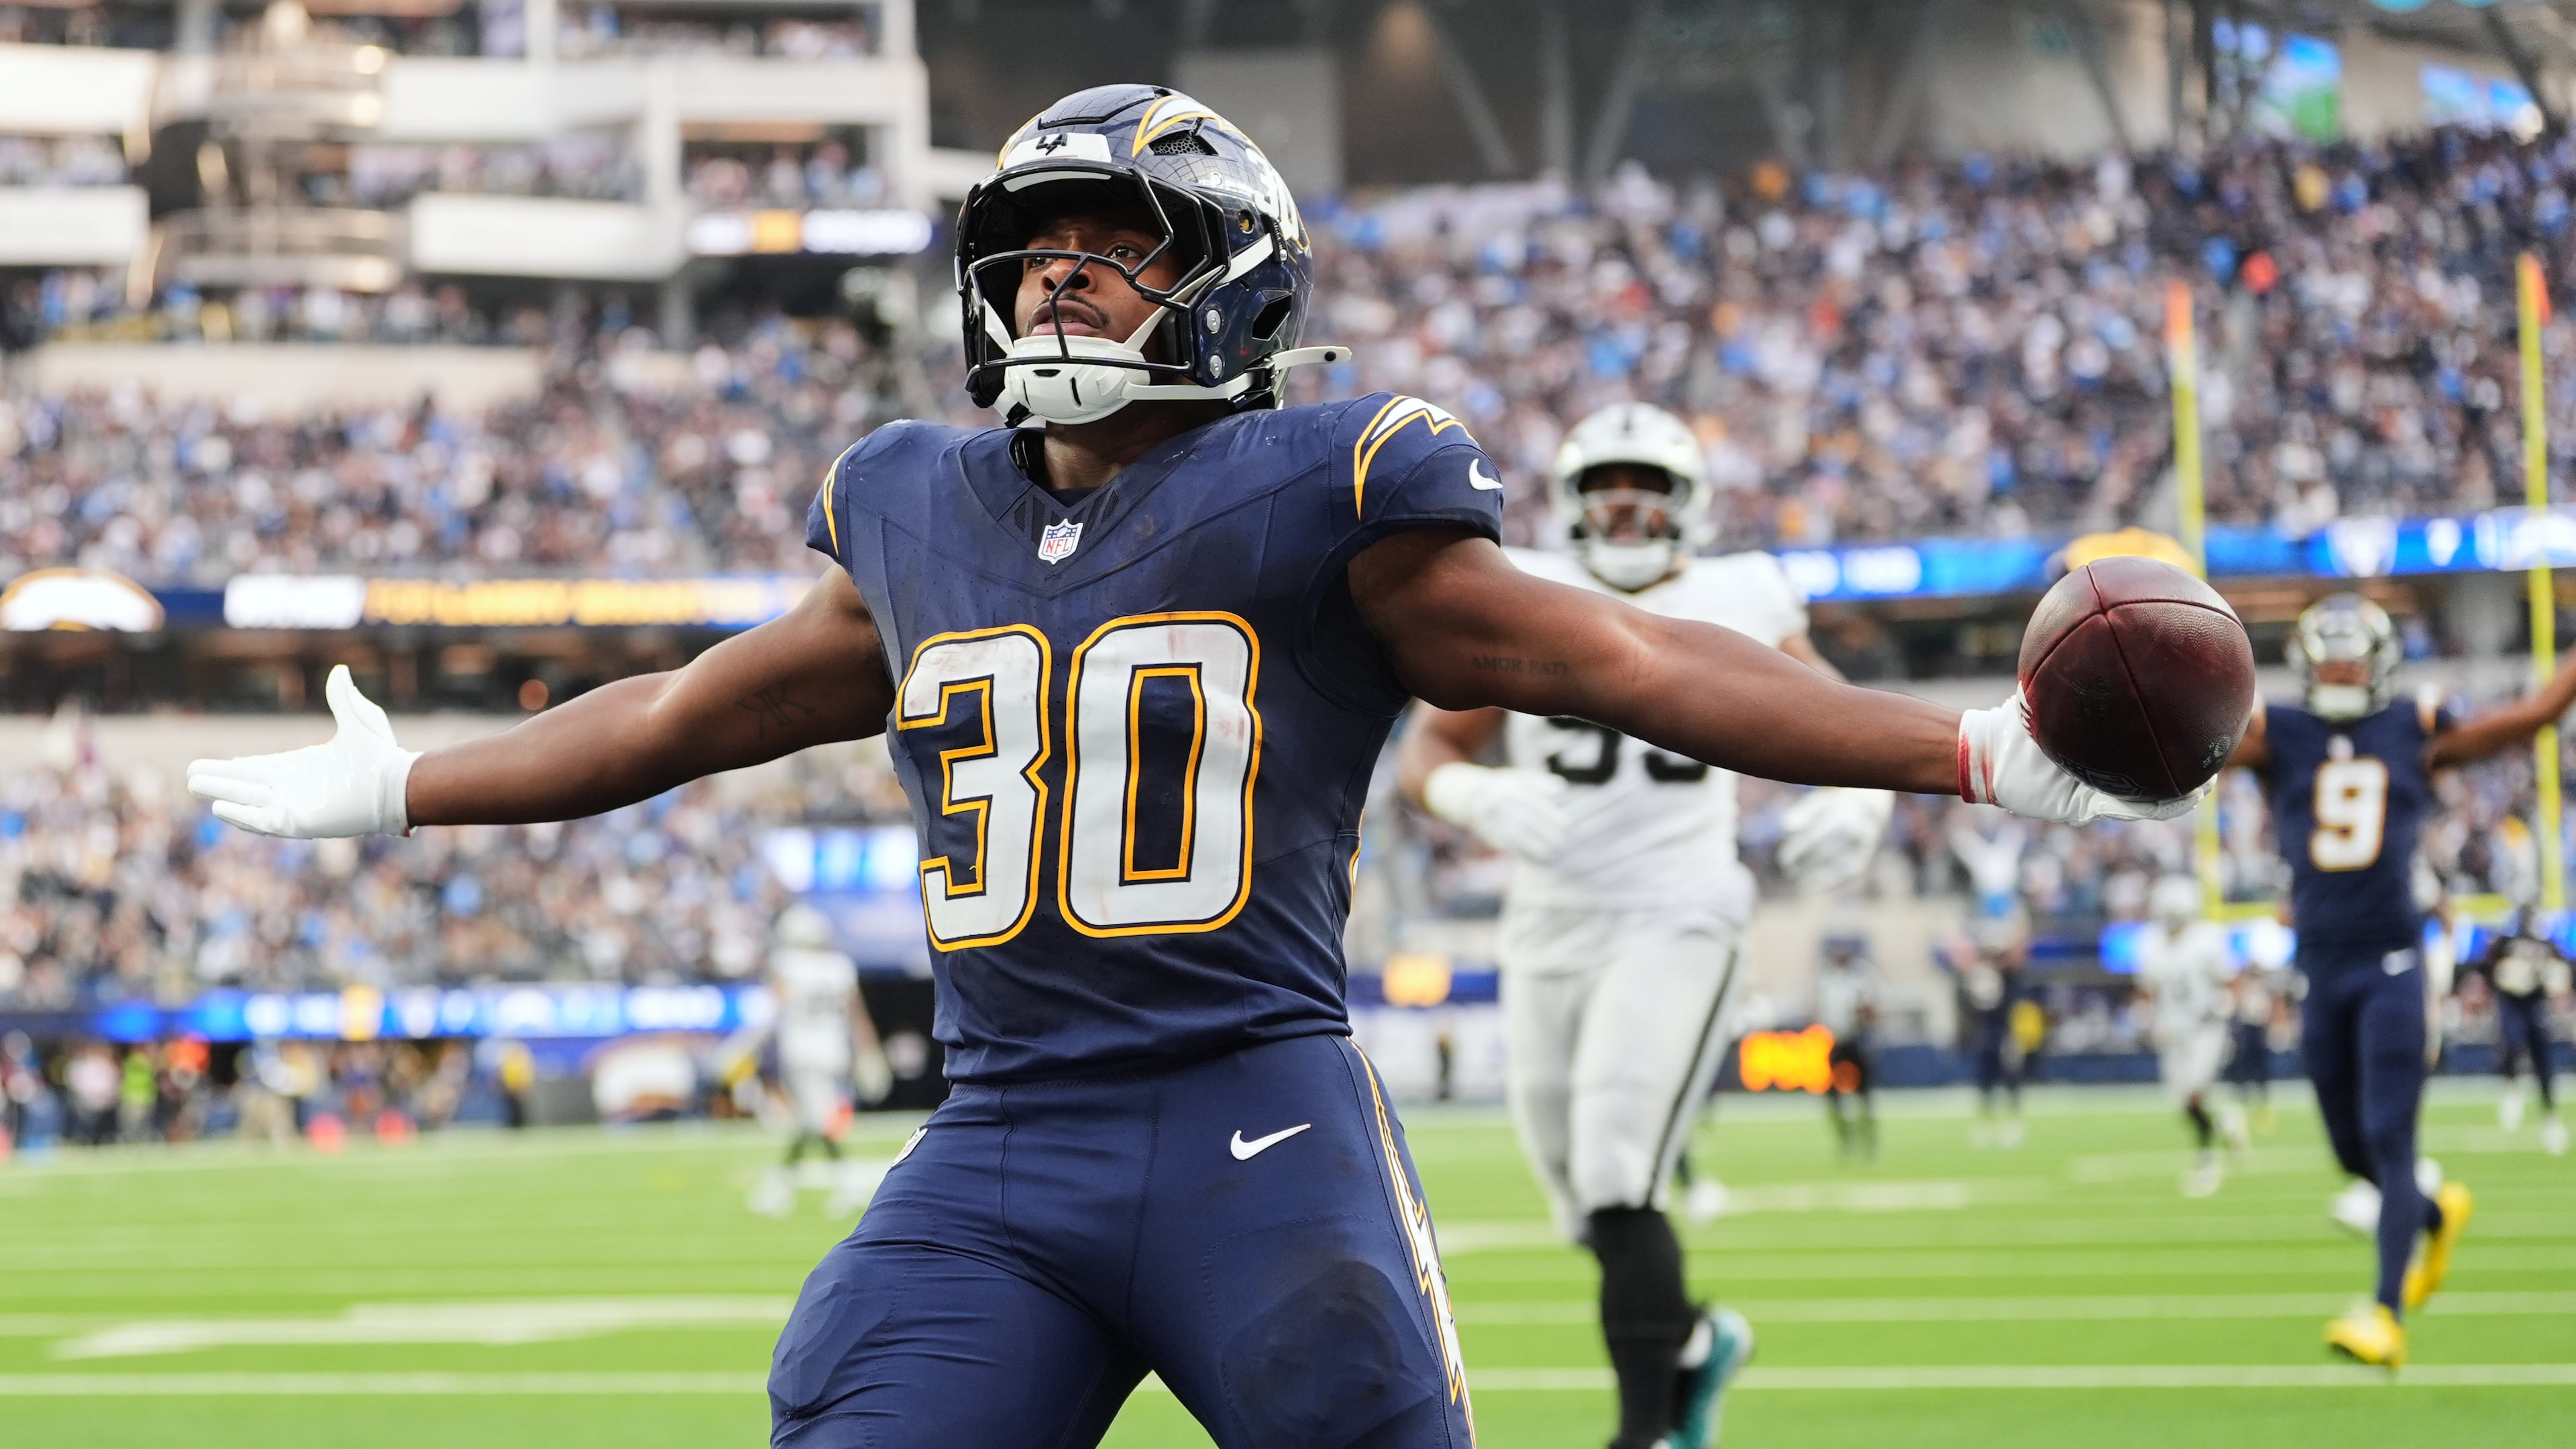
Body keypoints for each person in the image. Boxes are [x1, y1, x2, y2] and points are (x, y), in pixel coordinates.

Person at [184, 84, 2186, 1449]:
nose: (1056, 270)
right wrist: (412, 786)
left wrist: (1964, 751)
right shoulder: (905, 502)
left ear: (1222, 271)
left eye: (1110, 242)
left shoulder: (1334, 477)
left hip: (1253, 1114)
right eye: (1033, 242)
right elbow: (682, 717)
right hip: (997, 1146)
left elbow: (1628, 659)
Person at [1394, 400, 1892, 1449]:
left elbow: (1836, 707)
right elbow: (1430, 754)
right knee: (1585, 1205)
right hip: (1548, 924)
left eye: (1649, 486)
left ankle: (1646, 1434)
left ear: (1688, 502)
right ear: (1574, 503)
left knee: (1624, 1175)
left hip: (1678, 909)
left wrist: (1860, 797)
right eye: (1607, 486)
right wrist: (1472, 799)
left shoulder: (1740, 594)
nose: (1627, 506)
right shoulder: (1524, 589)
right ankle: (1700, 1342)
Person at [2227, 592, 2576, 1368]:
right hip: (2320, 966)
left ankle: (2385, 1314)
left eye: (2355, 656)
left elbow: (2529, 718)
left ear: (2381, 663)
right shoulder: (2279, 735)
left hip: (2393, 960)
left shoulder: (2414, 731)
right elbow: (2195, 748)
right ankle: (2432, 1215)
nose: (2344, 670)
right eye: (2332, 658)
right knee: (2351, 1152)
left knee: (2389, 1136)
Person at [749, 904, 896, 1217]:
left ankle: (846, 1183)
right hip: (833, 1051)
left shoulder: (786, 963)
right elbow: (856, 1015)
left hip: (802, 1051)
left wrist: (753, 1047)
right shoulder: (839, 966)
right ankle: (782, 1187)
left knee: (816, 1121)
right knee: (811, 1119)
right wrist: (869, 1050)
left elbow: (774, 1009)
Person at [2133, 875, 2245, 1197]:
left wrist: (2227, 1005)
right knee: (2183, 1105)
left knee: (2195, 1092)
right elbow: (2148, 988)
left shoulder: (2208, 939)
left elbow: (2230, 979)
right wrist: (2150, 1018)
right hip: (2173, 1030)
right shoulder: (2152, 942)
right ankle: (2224, 1122)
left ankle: (2207, 1162)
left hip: (2206, 1028)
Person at [2467, 907, 2571, 1155]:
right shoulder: (2506, 941)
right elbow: (2487, 966)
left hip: (2535, 1003)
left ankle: (2549, 1115)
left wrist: (2550, 981)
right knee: (2511, 1043)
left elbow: (2561, 968)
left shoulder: (2545, 942)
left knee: (2543, 1061)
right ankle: (2511, 1091)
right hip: (2511, 1002)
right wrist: (2499, 980)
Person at [1814, 932, 1881, 1160]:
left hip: (1856, 1039)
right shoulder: (1826, 978)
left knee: (1864, 1094)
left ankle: (1869, 1138)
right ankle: (1846, 1137)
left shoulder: (1862, 977)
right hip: (1835, 1039)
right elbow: (1819, 1008)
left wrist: (1861, 1015)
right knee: (1830, 1093)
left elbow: (1872, 1010)